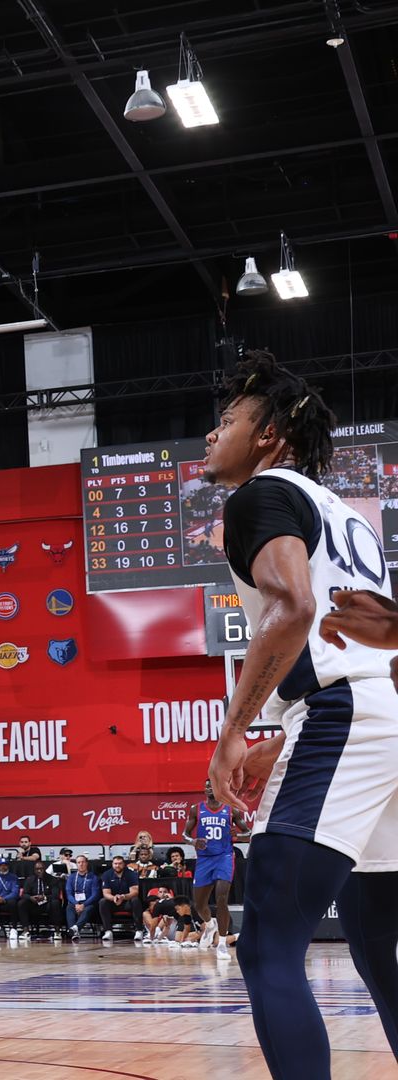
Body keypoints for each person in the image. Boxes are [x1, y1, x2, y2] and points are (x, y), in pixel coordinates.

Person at [201, 353, 398, 1079]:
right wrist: (285, 733)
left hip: (345, 714)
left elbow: (293, 609)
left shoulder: (258, 497)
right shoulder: (349, 517)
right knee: (379, 945)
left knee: (267, 944)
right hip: (384, 714)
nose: (211, 435)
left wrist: (232, 734)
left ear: (269, 435)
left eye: (228, 421)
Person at [184, 780, 244, 956]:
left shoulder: (231, 809)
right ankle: (210, 925)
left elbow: (248, 832)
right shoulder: (196, 809)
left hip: (224, 857)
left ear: (220, 788)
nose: (208, 788)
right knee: (199, 904)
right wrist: (193, 841)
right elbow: (184, 835)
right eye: (206, 786)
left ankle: (222, 944)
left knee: (221, 898)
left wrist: (239, 835)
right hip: (204, 859)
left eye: (212, 785)